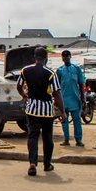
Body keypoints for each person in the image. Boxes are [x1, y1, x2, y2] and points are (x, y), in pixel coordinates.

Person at [19, 47, 66, 176]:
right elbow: (57, 93)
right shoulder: (50, 73)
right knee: (47, 137)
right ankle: (47, 164)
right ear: (46, 58)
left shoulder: (25, 71)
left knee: (32, 136)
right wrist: (62, 111)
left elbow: (18, 86)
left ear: (35, 57)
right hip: (46, 110)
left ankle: (32, 163)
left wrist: (24, 95)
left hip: (32, 109)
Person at [56, 49, 86, 147]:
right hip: (63, 100)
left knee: (77, 120)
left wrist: (83, 98)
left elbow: (81, 84)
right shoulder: (59, 70)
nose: (66, 58)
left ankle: (78, 139)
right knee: (64, 120)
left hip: (75, 99)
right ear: (62, 58)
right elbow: (56, 87)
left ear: (70, 56)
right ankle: (66, 139)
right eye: (64, 56)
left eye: (67, 56)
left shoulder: (76, 69)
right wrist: (56, 101)